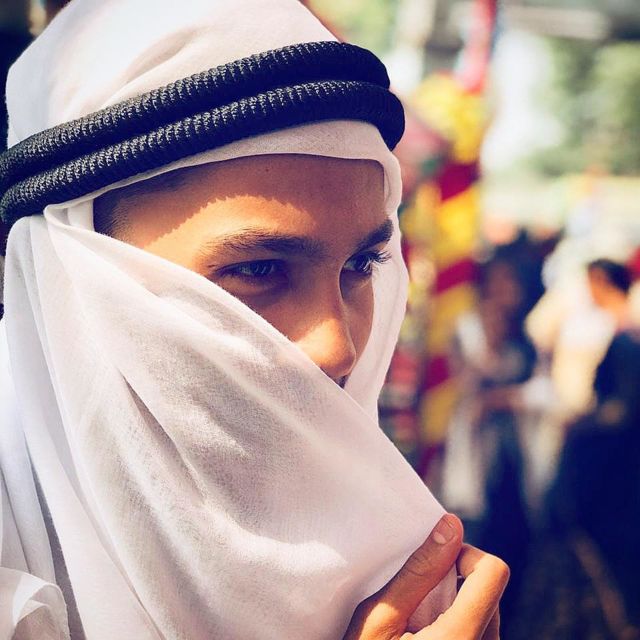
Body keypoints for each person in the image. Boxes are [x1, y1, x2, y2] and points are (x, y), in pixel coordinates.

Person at [0, 1, 508, 638]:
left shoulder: (404, 569)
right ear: (69, 270)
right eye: (259, 269)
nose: (338, 349)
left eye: (362, 264)